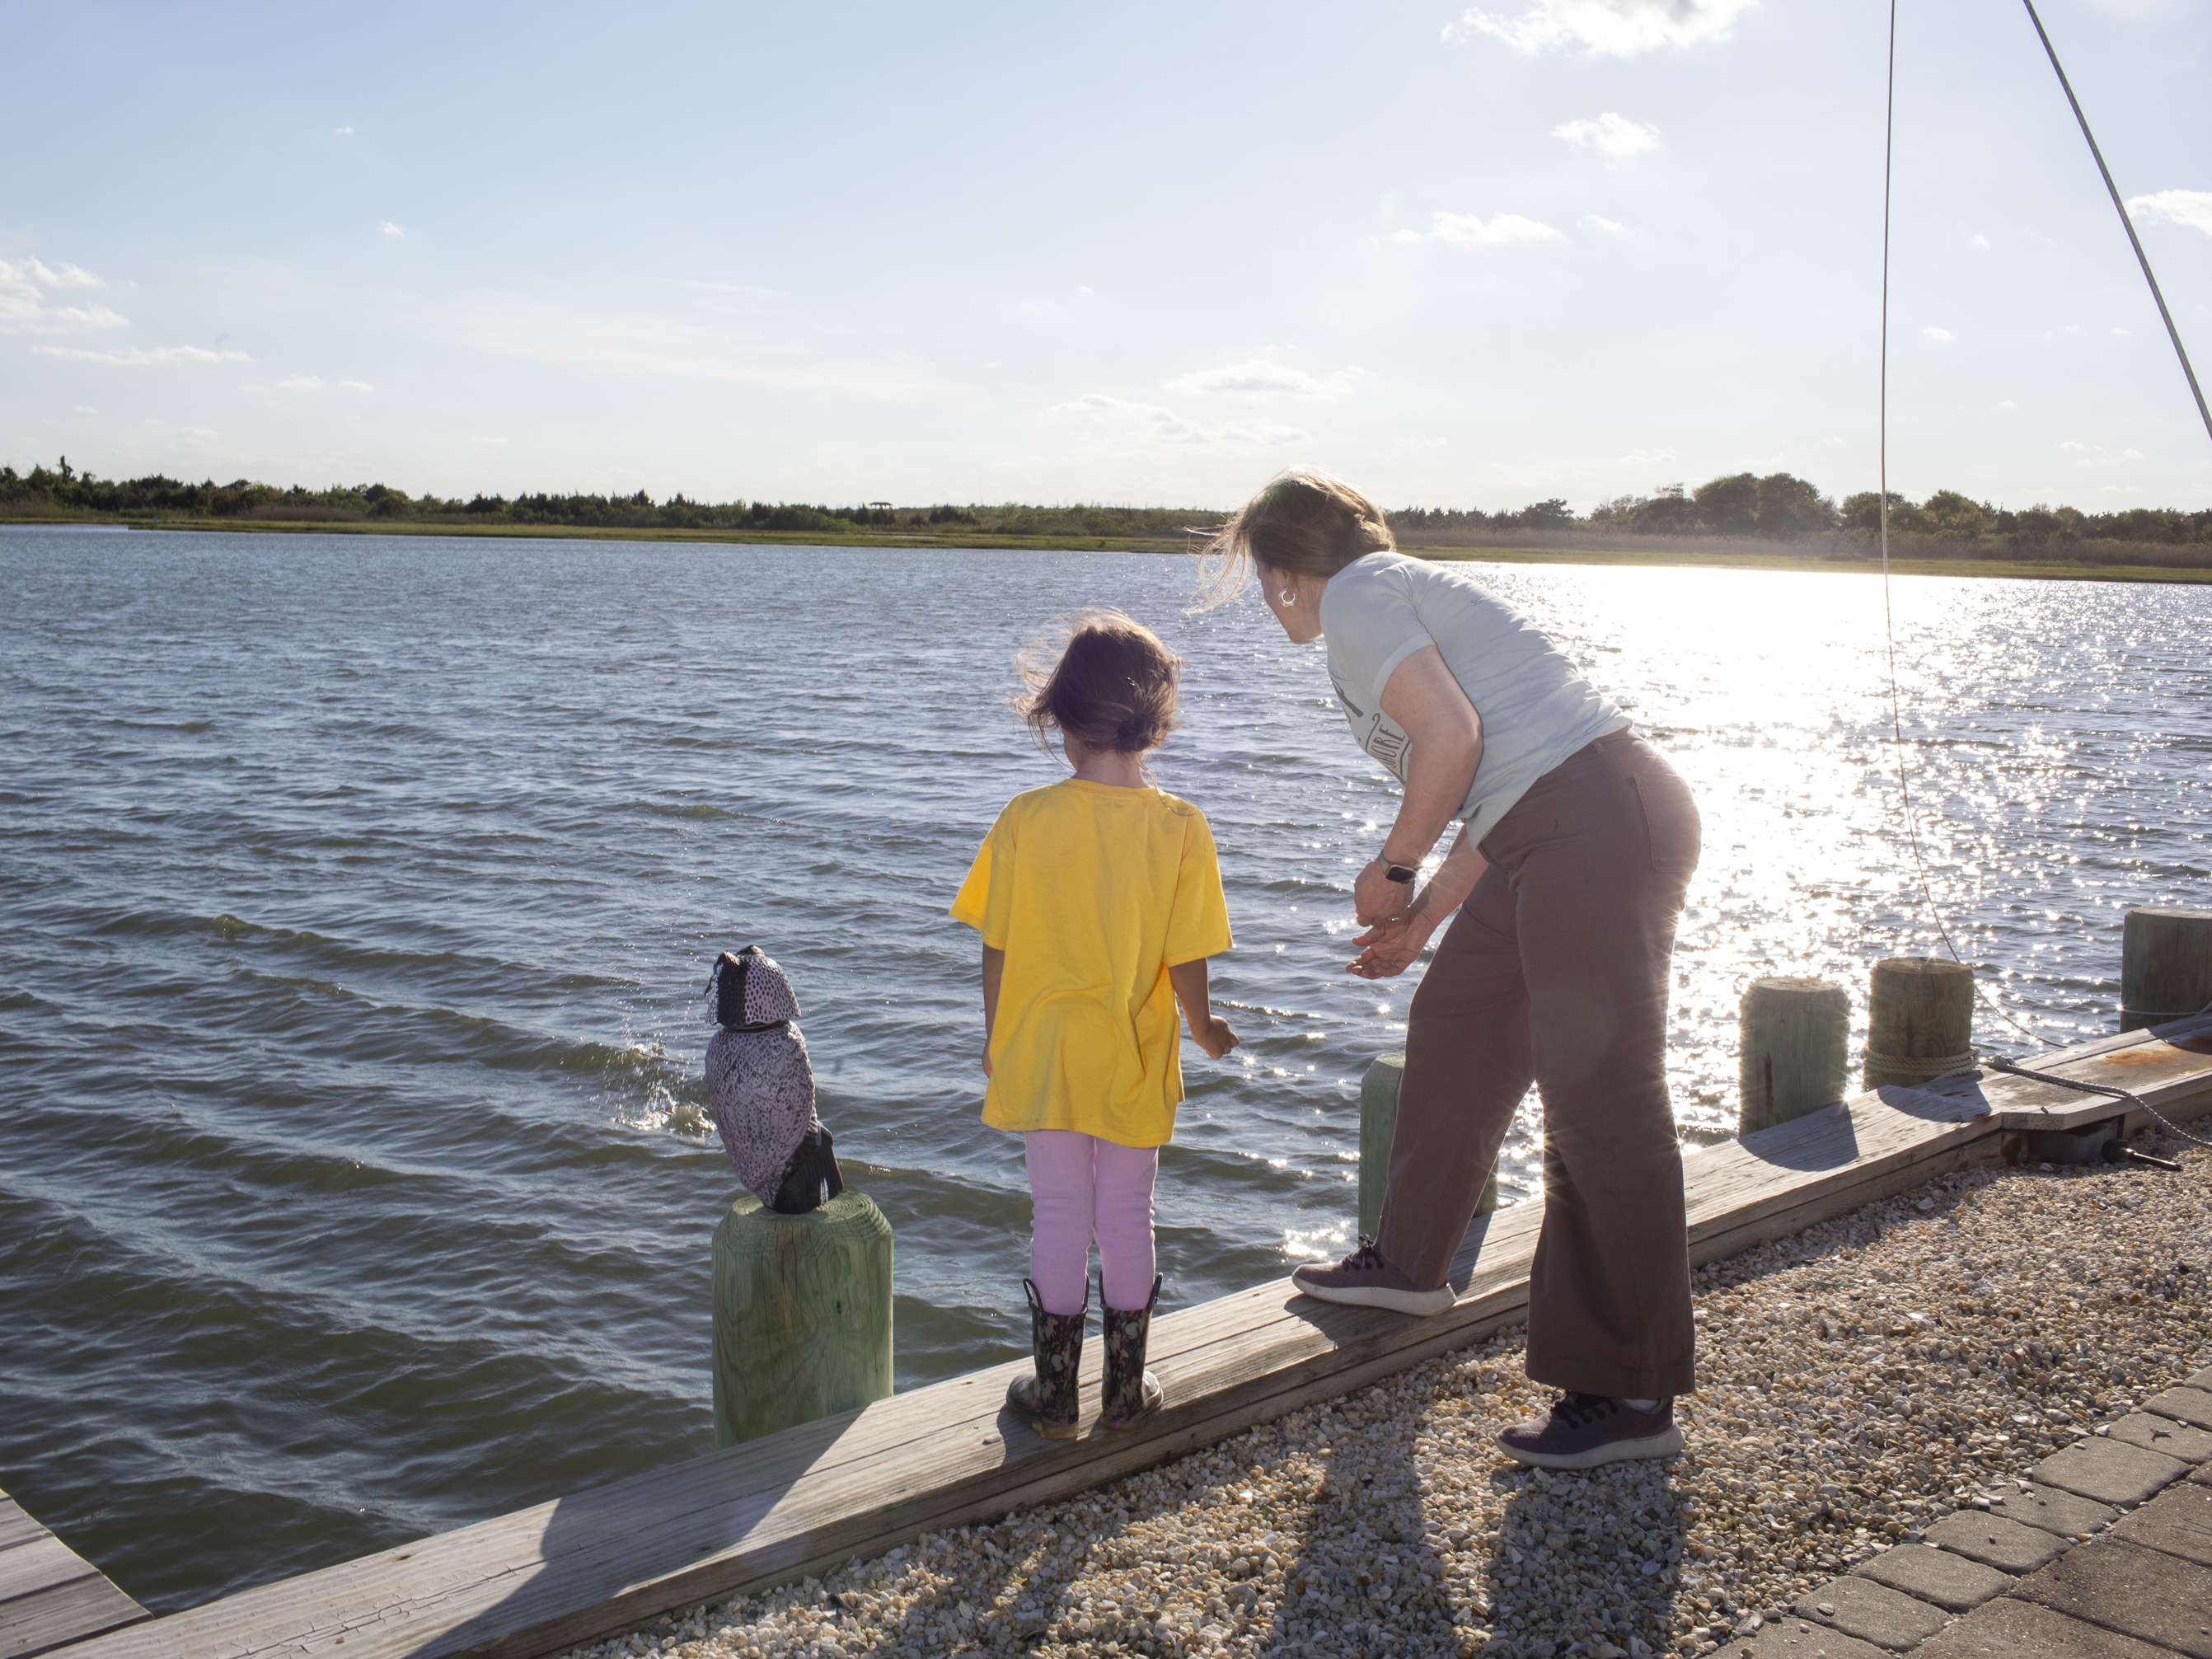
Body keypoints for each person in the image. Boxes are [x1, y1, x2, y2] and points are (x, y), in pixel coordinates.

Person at [1208, 471, 1701, 1470]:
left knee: (1599, 1100)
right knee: (1458, 1022)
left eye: (1260, 579)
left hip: (1596, 823)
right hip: (1545, 827)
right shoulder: (1380, 592)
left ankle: (1627, 1389)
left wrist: (1391, 866)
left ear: (1278, 571)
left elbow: (1452, 737)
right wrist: (1423, 918)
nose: (1266, 601)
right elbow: (1490, 784)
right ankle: (1407, 1265)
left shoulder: (1357, 593)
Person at [951, 608, 1239, 1439]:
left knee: (1057, 1213)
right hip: (1133, 1051)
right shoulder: (1180, 827)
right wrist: (1206, 1025)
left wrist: (995, 1036)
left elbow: (996, 948)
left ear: (1065, 721)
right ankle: (1122, 1393)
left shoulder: (1025, 819)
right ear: (1153, 726)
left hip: (1042, 1052)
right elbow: (1187, 959)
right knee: (1125, 1216)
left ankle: (1051, 1395)